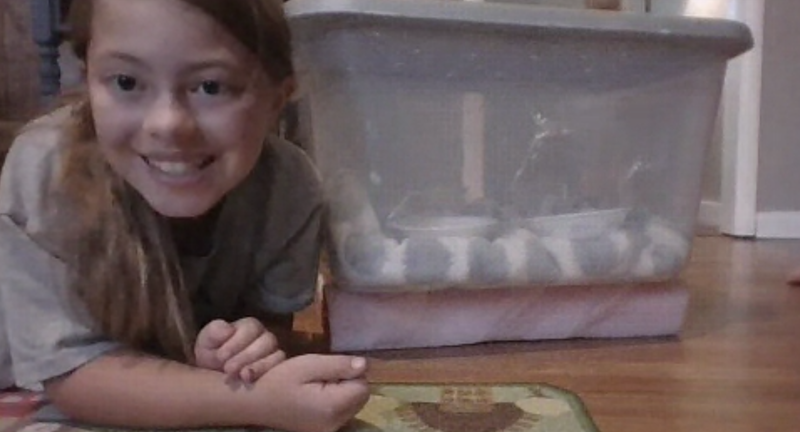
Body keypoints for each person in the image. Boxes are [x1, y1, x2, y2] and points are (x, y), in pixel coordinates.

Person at [0, 1, 370, 431]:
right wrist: (257, 401)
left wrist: (246, 345)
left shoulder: (289, 188)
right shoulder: (46, 169)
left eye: (211, 87)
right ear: (88, 82)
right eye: (126, 82)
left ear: (277, 100)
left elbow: (272, 324)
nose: (168, 124)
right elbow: (72, 377)